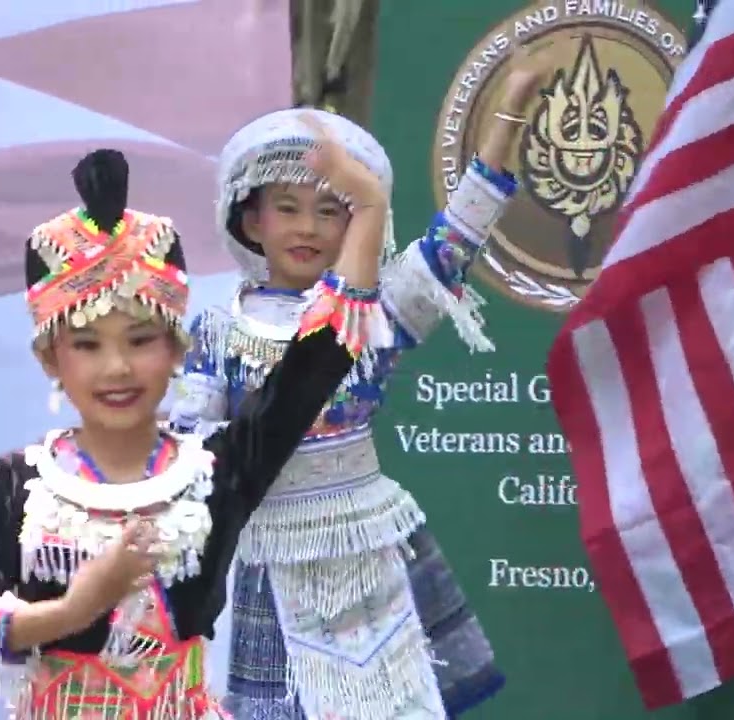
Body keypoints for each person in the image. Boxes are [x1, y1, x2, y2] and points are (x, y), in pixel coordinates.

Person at [169, 62, 548, 719]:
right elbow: (188, 459)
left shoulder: (373, 314)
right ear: (251, 221)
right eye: (288, 209)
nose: (308, 228)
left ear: (356, 228)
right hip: (270, 560)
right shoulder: (217, 332)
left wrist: (510, 108)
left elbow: (454, 241)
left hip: (366, 551)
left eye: (330, 211)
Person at [0, 145, 384, 719]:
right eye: (87, 345)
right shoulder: (14, 485)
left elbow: (316, 362)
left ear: (178, 349)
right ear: (51, 359)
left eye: (140, 341)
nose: (117, 368)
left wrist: (370, 208)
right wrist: (74, 610)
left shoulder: (217, 472)